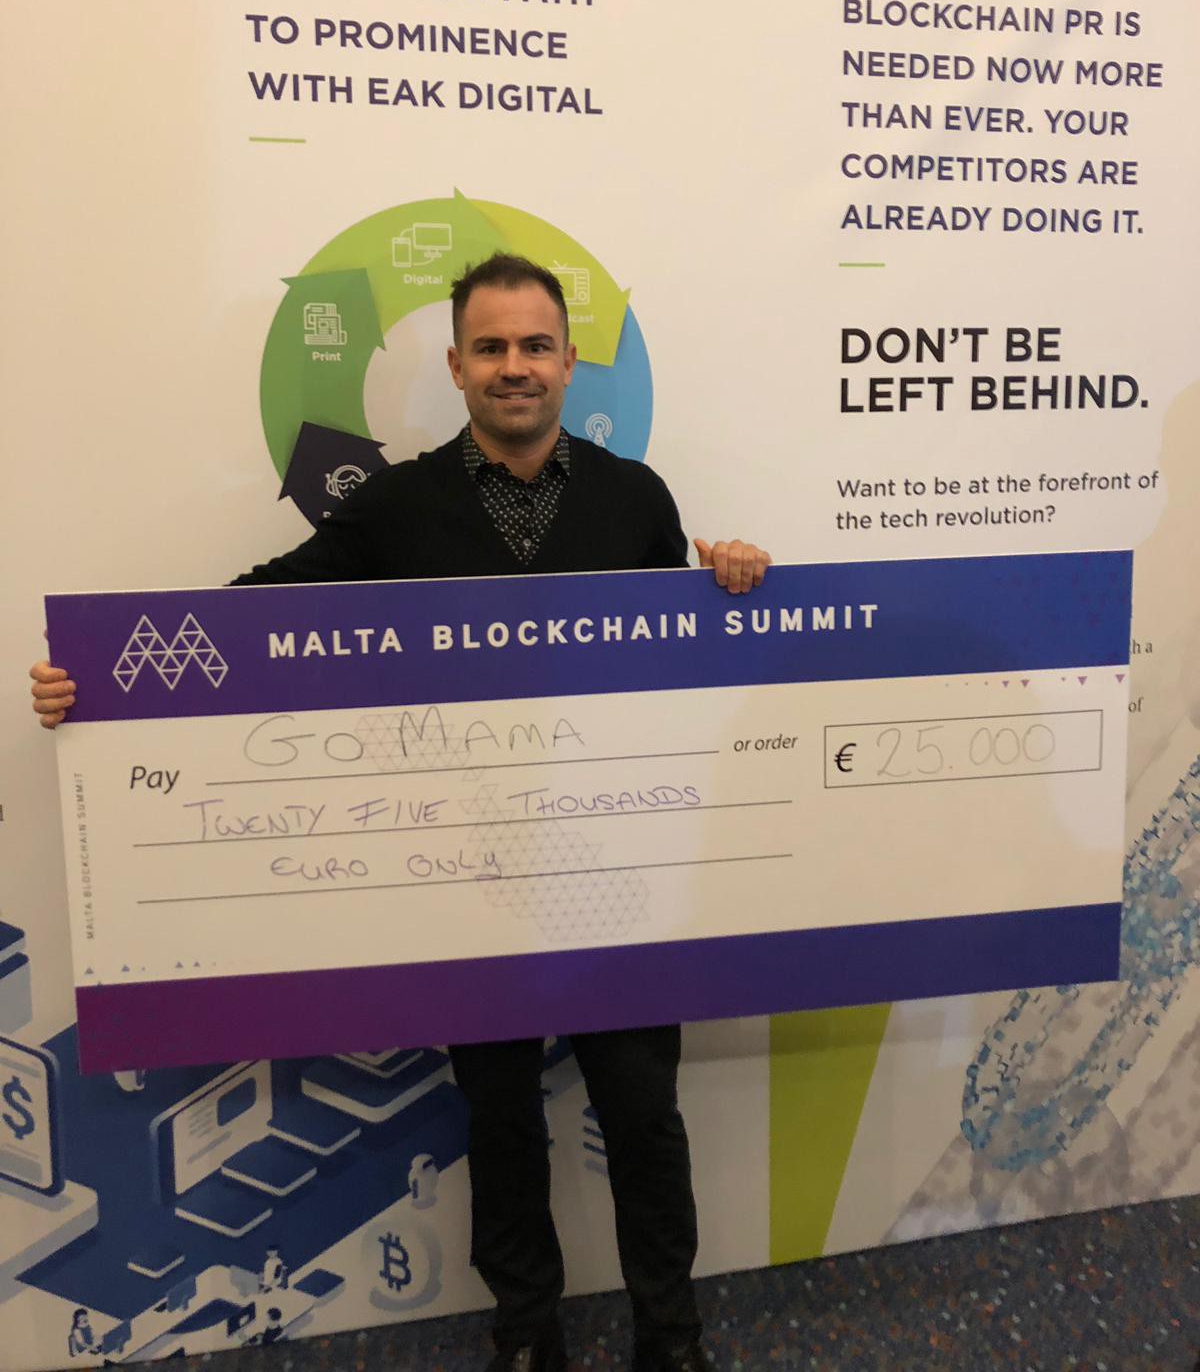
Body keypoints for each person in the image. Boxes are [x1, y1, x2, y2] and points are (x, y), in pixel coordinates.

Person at [31, 252, 771, 1372]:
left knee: (643, 1118)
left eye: (535, 346)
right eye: (491, 347)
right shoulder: (397, 505)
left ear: (569, 362)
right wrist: (100, 678)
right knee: (501, 1120)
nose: (514, 366)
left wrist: (733, 581)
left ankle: (672, 1339)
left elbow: (679, 659)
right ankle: (526, 1335)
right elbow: (252, 618)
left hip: (614, 878)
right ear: (457, 366)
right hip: (463, 884)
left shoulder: (636, 500)